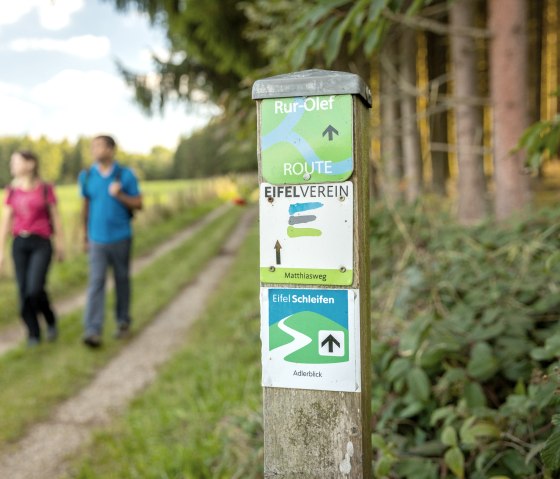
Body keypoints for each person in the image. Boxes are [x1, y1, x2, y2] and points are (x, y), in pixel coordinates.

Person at [79, 135, 142, 348]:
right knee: (96, 282)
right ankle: (92, 330)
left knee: (121, 279)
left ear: (111, 149)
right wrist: (84, 236)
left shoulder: (125, 175)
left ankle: (123, 322)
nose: (95, 150)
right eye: (92, 146)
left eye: (99, 146)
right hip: (97, 239)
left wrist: (120, 194)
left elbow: (138, 204)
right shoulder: (87, 176)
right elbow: (85, 206)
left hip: (121, 237)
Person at [0, 150, 64, 347]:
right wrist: (1, 250)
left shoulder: (45, 189)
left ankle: (50, 319)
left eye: (15, 161)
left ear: (30, 164)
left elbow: (55, 218)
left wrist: (60, 244)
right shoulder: (11, 190)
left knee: (35, 288)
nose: (12, 165)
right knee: (23, 292)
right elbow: (6, 221)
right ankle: (33, 333)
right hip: (20, 243)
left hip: (41, 243)